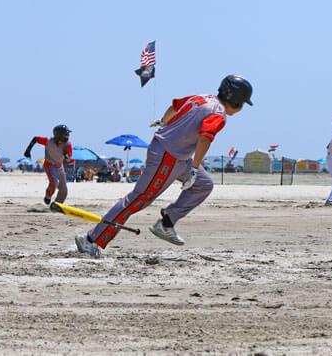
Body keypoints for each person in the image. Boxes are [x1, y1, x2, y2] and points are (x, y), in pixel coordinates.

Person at [75, 75, 253, 258]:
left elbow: (174, 106)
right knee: (138, 199)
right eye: (242, 103)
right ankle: (90, 239)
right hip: (167, 156)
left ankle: (167, 222)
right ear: (235, 100)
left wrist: (164, 121)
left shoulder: (201, 98)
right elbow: (205, 138)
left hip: (177, 155)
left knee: (204, 184)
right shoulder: (218, 114)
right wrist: (194, 167)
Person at [23, 125, 74, 208]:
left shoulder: (67, 144)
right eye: (66, 135)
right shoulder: (48, 141)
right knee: (54, 183)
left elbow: (69, 158)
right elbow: (35, 139)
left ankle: (57, 205)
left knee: (64, 190)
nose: (67, 137)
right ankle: (48, 195)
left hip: (60, 167)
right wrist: (28, 150)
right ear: (59, 135)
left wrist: (67, 156)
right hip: (49, 165)